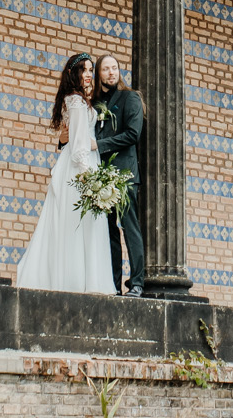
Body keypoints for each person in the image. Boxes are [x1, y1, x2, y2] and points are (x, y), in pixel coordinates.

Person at [13, 53, 116, 293]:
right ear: (74, 74)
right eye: (84, 70)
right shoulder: (77, 102)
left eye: (91, 70)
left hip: (73, 164)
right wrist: (90, 178)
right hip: (79, 168)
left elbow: (69, 137)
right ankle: (79, 283)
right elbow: (79, 145)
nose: (89, 74)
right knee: (79, 226)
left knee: (72, 226)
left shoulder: (76, 100)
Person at [94, 54, 145, 295]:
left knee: (129, 227)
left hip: (124, 175)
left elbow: (133, 134)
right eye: (106, 69)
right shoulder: (94, 103)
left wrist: (100, 145)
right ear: (99, 74)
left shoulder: (130, 98)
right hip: (101, 176)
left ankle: (136, 283)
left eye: (115, 68)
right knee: (108, 233)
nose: (112, 73)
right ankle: (113, 286)